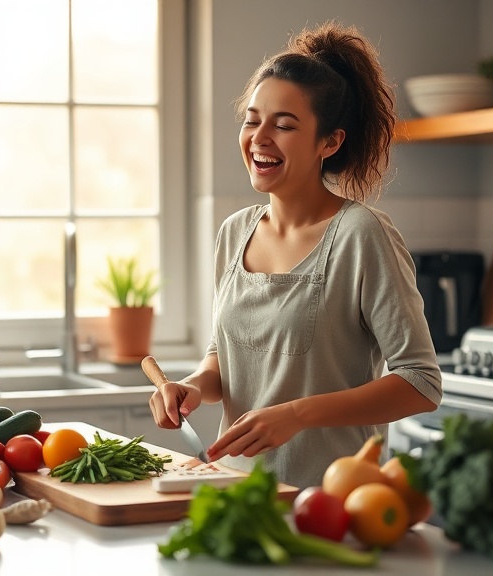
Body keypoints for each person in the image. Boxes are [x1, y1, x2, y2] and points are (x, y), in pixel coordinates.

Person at [148, 21, 442, 489]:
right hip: (237, 493)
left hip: (330, 499)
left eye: (284, 125)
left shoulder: (361, 235)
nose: (260, 137)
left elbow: (421, 382)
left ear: (330, 142)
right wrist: (192, 388)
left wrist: (298, 414)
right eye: (252, 119)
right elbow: (223, 357)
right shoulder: (234, 232)